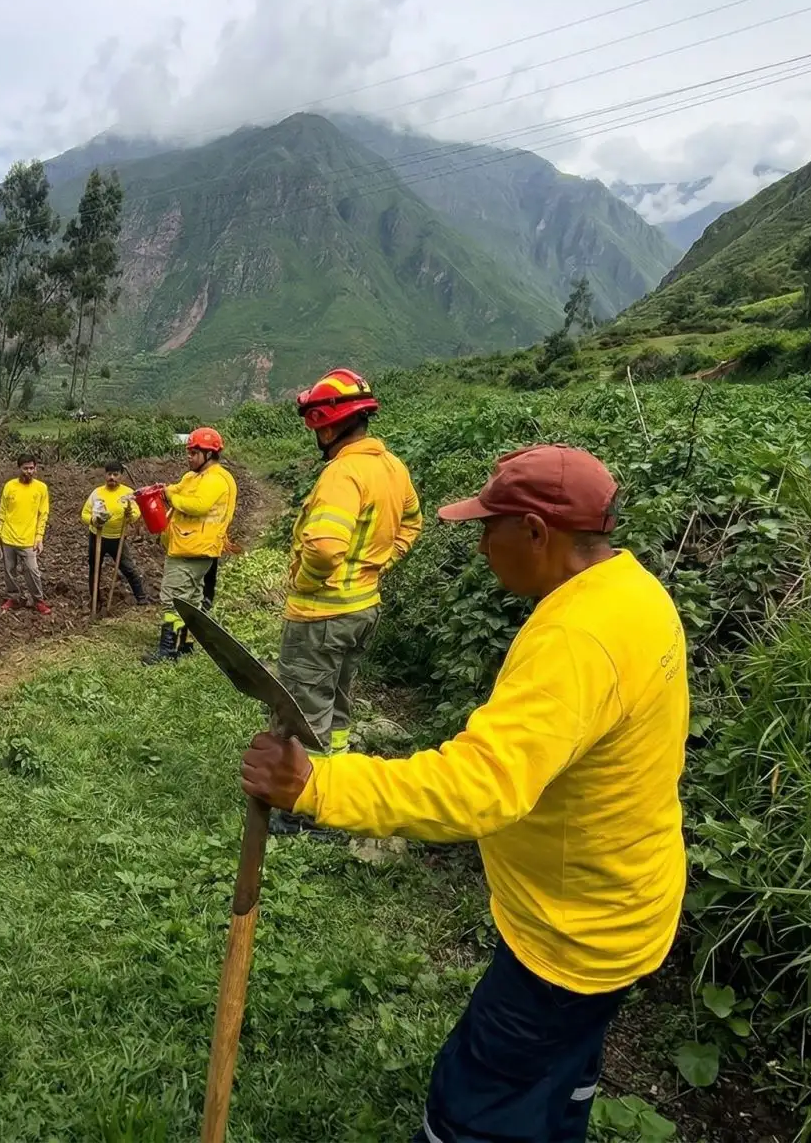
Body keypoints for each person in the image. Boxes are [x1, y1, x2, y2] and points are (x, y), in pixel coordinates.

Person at [241, 444, 688, 1143]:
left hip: (572, 936)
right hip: (629, 903)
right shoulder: (635, 593)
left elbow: (478, 788)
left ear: (537, 532)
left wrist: (317, 784)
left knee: (472, 1109)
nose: (481, 545)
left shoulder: (577, 637)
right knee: (556, 1091)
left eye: (491, 527)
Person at [280, 368, 422, 763]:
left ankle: (305, 804)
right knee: (337, 704)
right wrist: (382, 563)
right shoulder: (392, 467)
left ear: (326, 429)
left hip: (321, 615)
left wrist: (306, 581)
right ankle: (338, 780)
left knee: (303, 710)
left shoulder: (343, 473)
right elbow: (412, 521)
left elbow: (325, 549)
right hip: (362, 609)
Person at [142, 427, 236, 663]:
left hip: (194, 549)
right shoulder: (193, 476)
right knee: (189, 599)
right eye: (189, 452)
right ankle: (185, 645)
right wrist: (163, 490)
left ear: (209, 454)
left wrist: (170, 497)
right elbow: (178, 488)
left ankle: (168, 650)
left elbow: (198, 505)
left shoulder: (217, 480)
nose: (189, 457)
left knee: (173, 599)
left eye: (194, 453)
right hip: (188, 546)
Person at [80, 459, 148, 607]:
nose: (112, 478)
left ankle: (141, 598)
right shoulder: (97, 493)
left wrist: (130, 515)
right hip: (97, 537)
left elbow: (136, 513)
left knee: (128, 568)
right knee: (95, 569)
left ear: (121, 476)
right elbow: (84, 514)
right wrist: (93, 520)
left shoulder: (128, 493)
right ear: (105, 475)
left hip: (118, 538)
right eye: (109, 474)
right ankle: (95, 600)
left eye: (115, 474)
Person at [0, 455, 51, 614]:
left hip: (28, 539)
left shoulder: (41, 488)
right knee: (9, 570)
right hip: (8, 537)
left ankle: (38, 600)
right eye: (25, 468)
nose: (28, 471)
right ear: (19, 468)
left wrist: (39, 537)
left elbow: (43, 514)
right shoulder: (9, 486)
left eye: (31, 468)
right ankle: (13, 597)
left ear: (36, 468)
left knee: (32, 570)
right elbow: (3, 511)